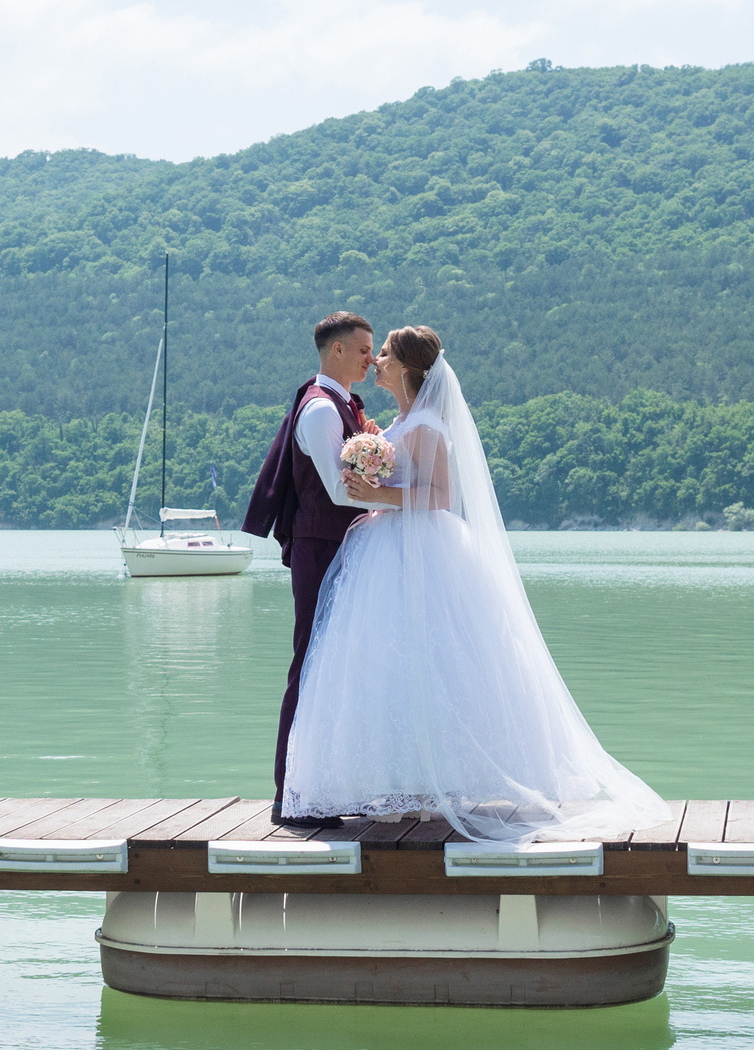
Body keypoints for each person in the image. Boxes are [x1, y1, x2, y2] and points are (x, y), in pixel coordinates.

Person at [280, 326, 670, 842]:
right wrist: (375, 480)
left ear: (407, 369)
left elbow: (438, 494)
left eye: (386, 355)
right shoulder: (399, 421)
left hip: (420, 548)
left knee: (434, 661)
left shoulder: (426, 425)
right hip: (388, 548)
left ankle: (428, 785)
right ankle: (407, 784)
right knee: (394, 664)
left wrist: (377, 496)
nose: (376, 361)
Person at [241, 311, 386, 820]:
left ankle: (332, 787)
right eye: (365, 349)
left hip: (344, 547)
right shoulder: (322, 411)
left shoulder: (344, 406)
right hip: (321, 548)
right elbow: (336, 489)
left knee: (342, 667)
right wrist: (408, 502)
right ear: (337, 351)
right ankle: (291, 794)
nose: (372, 357)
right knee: (311, 662)